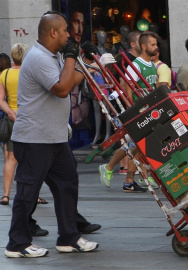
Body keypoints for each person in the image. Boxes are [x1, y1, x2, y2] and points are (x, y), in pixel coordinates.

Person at [5, 11, 99, 258]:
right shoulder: (38, 58)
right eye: (66, 30)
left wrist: (86, 63)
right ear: (53, 32)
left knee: (67, 185)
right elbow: (61, 88)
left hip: (55, 136)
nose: (69, 34)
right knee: (28, 191)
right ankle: (17, 243)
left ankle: (68, 237)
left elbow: (71, 80)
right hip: (34, 138)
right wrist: (70, 57)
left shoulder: (53, 56)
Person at [99, 31, 159, 192]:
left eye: (156, 44)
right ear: (144, 46)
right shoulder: (137, 64)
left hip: (147, 109)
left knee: (137, 145)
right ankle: (117, 172)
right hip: (139, 110)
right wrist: (133, 109)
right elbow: (127, 86)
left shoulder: (152, 64)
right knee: (136, 144)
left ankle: (128, 179)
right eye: (153, 44)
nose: (156, 47)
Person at [0, 44, 28, 206]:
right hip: (29, 119)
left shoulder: (5, 73)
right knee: (31, 158)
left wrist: (10, 112)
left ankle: (5, 195)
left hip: (13, 120)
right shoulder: (29, 73)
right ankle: (34, 195)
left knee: (11, 158)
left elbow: (1, 99)